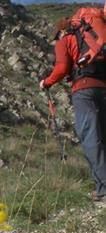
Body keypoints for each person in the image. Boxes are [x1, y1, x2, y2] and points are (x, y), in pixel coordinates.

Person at [41, 15, 106, 203]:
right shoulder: (93, 38)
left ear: (61, 31)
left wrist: (46, 82)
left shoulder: (65, 40)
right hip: (103, 88)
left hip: (84, 91)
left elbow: (61, 69)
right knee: (103, 135)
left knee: (91, 138)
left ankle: (103, 189)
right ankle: (101, 187)